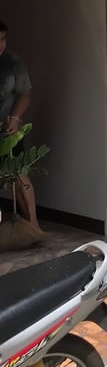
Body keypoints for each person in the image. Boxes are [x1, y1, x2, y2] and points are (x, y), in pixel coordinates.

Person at [0, 19, 39, 230]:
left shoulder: (13, 63)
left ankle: (33, 227)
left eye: (3, 39)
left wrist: (15, 118)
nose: (1, 44)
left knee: (18, 174)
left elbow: (25, 94)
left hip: (8, 131)